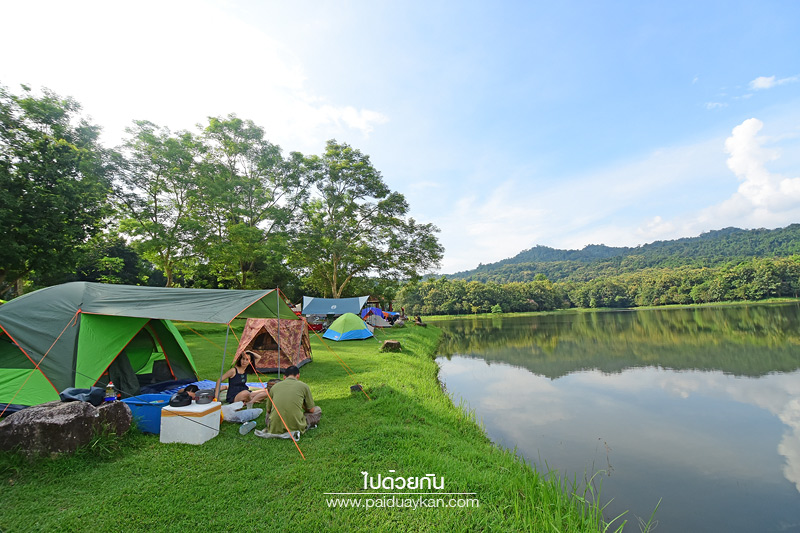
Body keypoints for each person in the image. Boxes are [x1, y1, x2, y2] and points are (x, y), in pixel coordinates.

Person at [262, 365, 321, 435]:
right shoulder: (304, 386)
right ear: (298, 376)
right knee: (317, 410)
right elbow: (311, 410)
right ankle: (299, 423)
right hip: (296, 426)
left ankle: (276, 424)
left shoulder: (274, 387)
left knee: (269, 415)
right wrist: (303, 406)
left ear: (284, 377)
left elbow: (268, 410)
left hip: (274, 427)